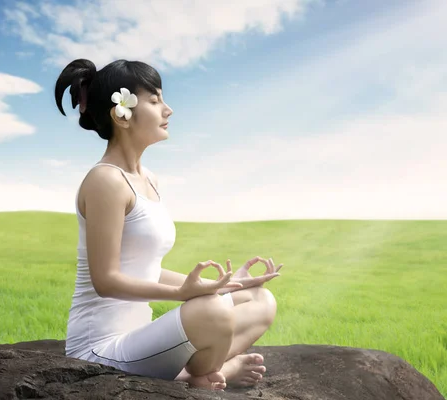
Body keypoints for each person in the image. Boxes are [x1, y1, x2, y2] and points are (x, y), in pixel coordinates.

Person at [54, 58, 284, 391]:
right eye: (154, 99)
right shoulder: (105, 181)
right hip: (99, 349)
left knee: (259, 299)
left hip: (140, 339)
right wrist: (183, 294)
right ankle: (200, 374)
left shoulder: (149, 180)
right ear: (122, 113)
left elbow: (144, 269)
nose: (168, 109)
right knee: (212, 312)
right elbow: (106, 281)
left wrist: (223, 283)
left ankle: (194, 371)